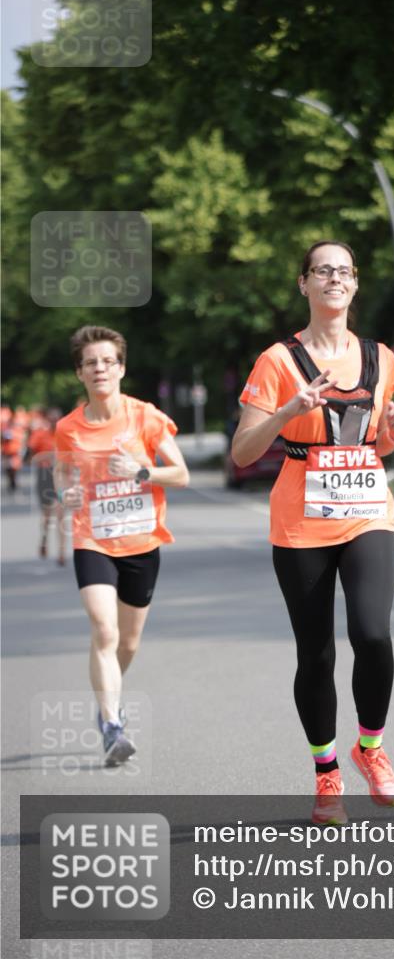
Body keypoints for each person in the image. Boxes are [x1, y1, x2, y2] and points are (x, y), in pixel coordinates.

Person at [232, 240, 394, 823]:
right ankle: (327, 771)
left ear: (354, 284)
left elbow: (377, 442)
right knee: (315, 654)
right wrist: (288, 410)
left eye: (343, 271)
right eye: (322, 271)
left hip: (365, 510)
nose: (333, 279)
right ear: (304, 284)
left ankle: (371, 748)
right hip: (301, 520)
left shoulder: (380, 357)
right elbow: (242, 453)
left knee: (373, 633)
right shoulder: (277, 361)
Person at [55, 326, 190, 766]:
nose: (99, 369)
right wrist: (65, 495)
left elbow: (181, 474)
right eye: (90, 362)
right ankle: (112, 725)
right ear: (80, 373)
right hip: (92, 537)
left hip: (140, 539)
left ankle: (106, 698)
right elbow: (61, 476)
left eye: (107, 361)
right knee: (104, 630)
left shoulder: (144, 417)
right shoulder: (68, 429)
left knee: (127, 642)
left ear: (121, 368)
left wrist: (141, 470)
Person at [26, 407, 66, 564]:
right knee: (47, 515)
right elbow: (30, 457)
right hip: (44, 476)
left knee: (61, 514)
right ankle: (44, 538)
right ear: (48, 421)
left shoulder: (66, 436)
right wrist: (45, 457)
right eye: (52, 420)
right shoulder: (40, 435)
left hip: (61, 477)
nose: (55, 422)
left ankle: (62, 552)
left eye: (57, 419)